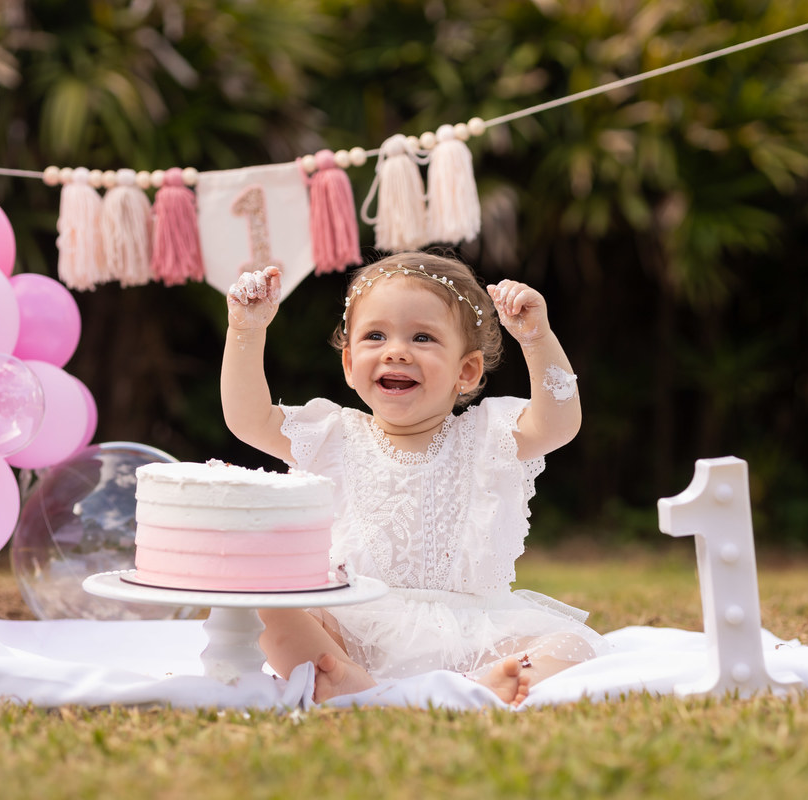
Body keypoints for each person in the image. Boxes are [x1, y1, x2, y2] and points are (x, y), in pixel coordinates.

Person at [221, 251, 610, 705]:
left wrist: (537, 339)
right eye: (375, 336)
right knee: (266, 607)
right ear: (349, 365)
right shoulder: (332, 436)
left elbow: (559, 423)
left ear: (465, 371)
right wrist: (246, 331)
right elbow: (247, 419)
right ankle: (353, 682)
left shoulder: (488, 437)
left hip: (473, 630)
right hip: (353, 626)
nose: (396, 350)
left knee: (572, 646)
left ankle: (483, 685)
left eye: (422, 337)